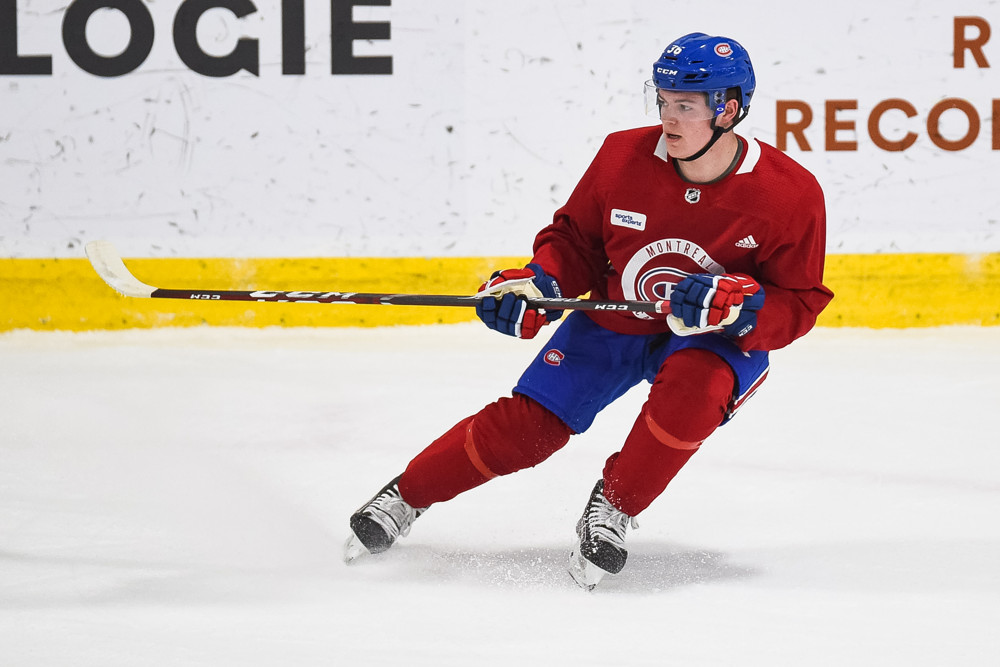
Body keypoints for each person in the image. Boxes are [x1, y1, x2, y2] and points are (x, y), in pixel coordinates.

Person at [344, 32, 834, 590]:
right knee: (529, 429)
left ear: (728, 110)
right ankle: (406, 496)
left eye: (686, 106)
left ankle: (616, 506)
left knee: (692, 394)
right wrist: (538, 283)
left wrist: (740, 309)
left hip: (711, 340)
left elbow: (799, 299)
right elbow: (575, 243)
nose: (669, 119)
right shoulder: (622, 155)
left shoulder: (790, 194)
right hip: (615, 319)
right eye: (664, 101)